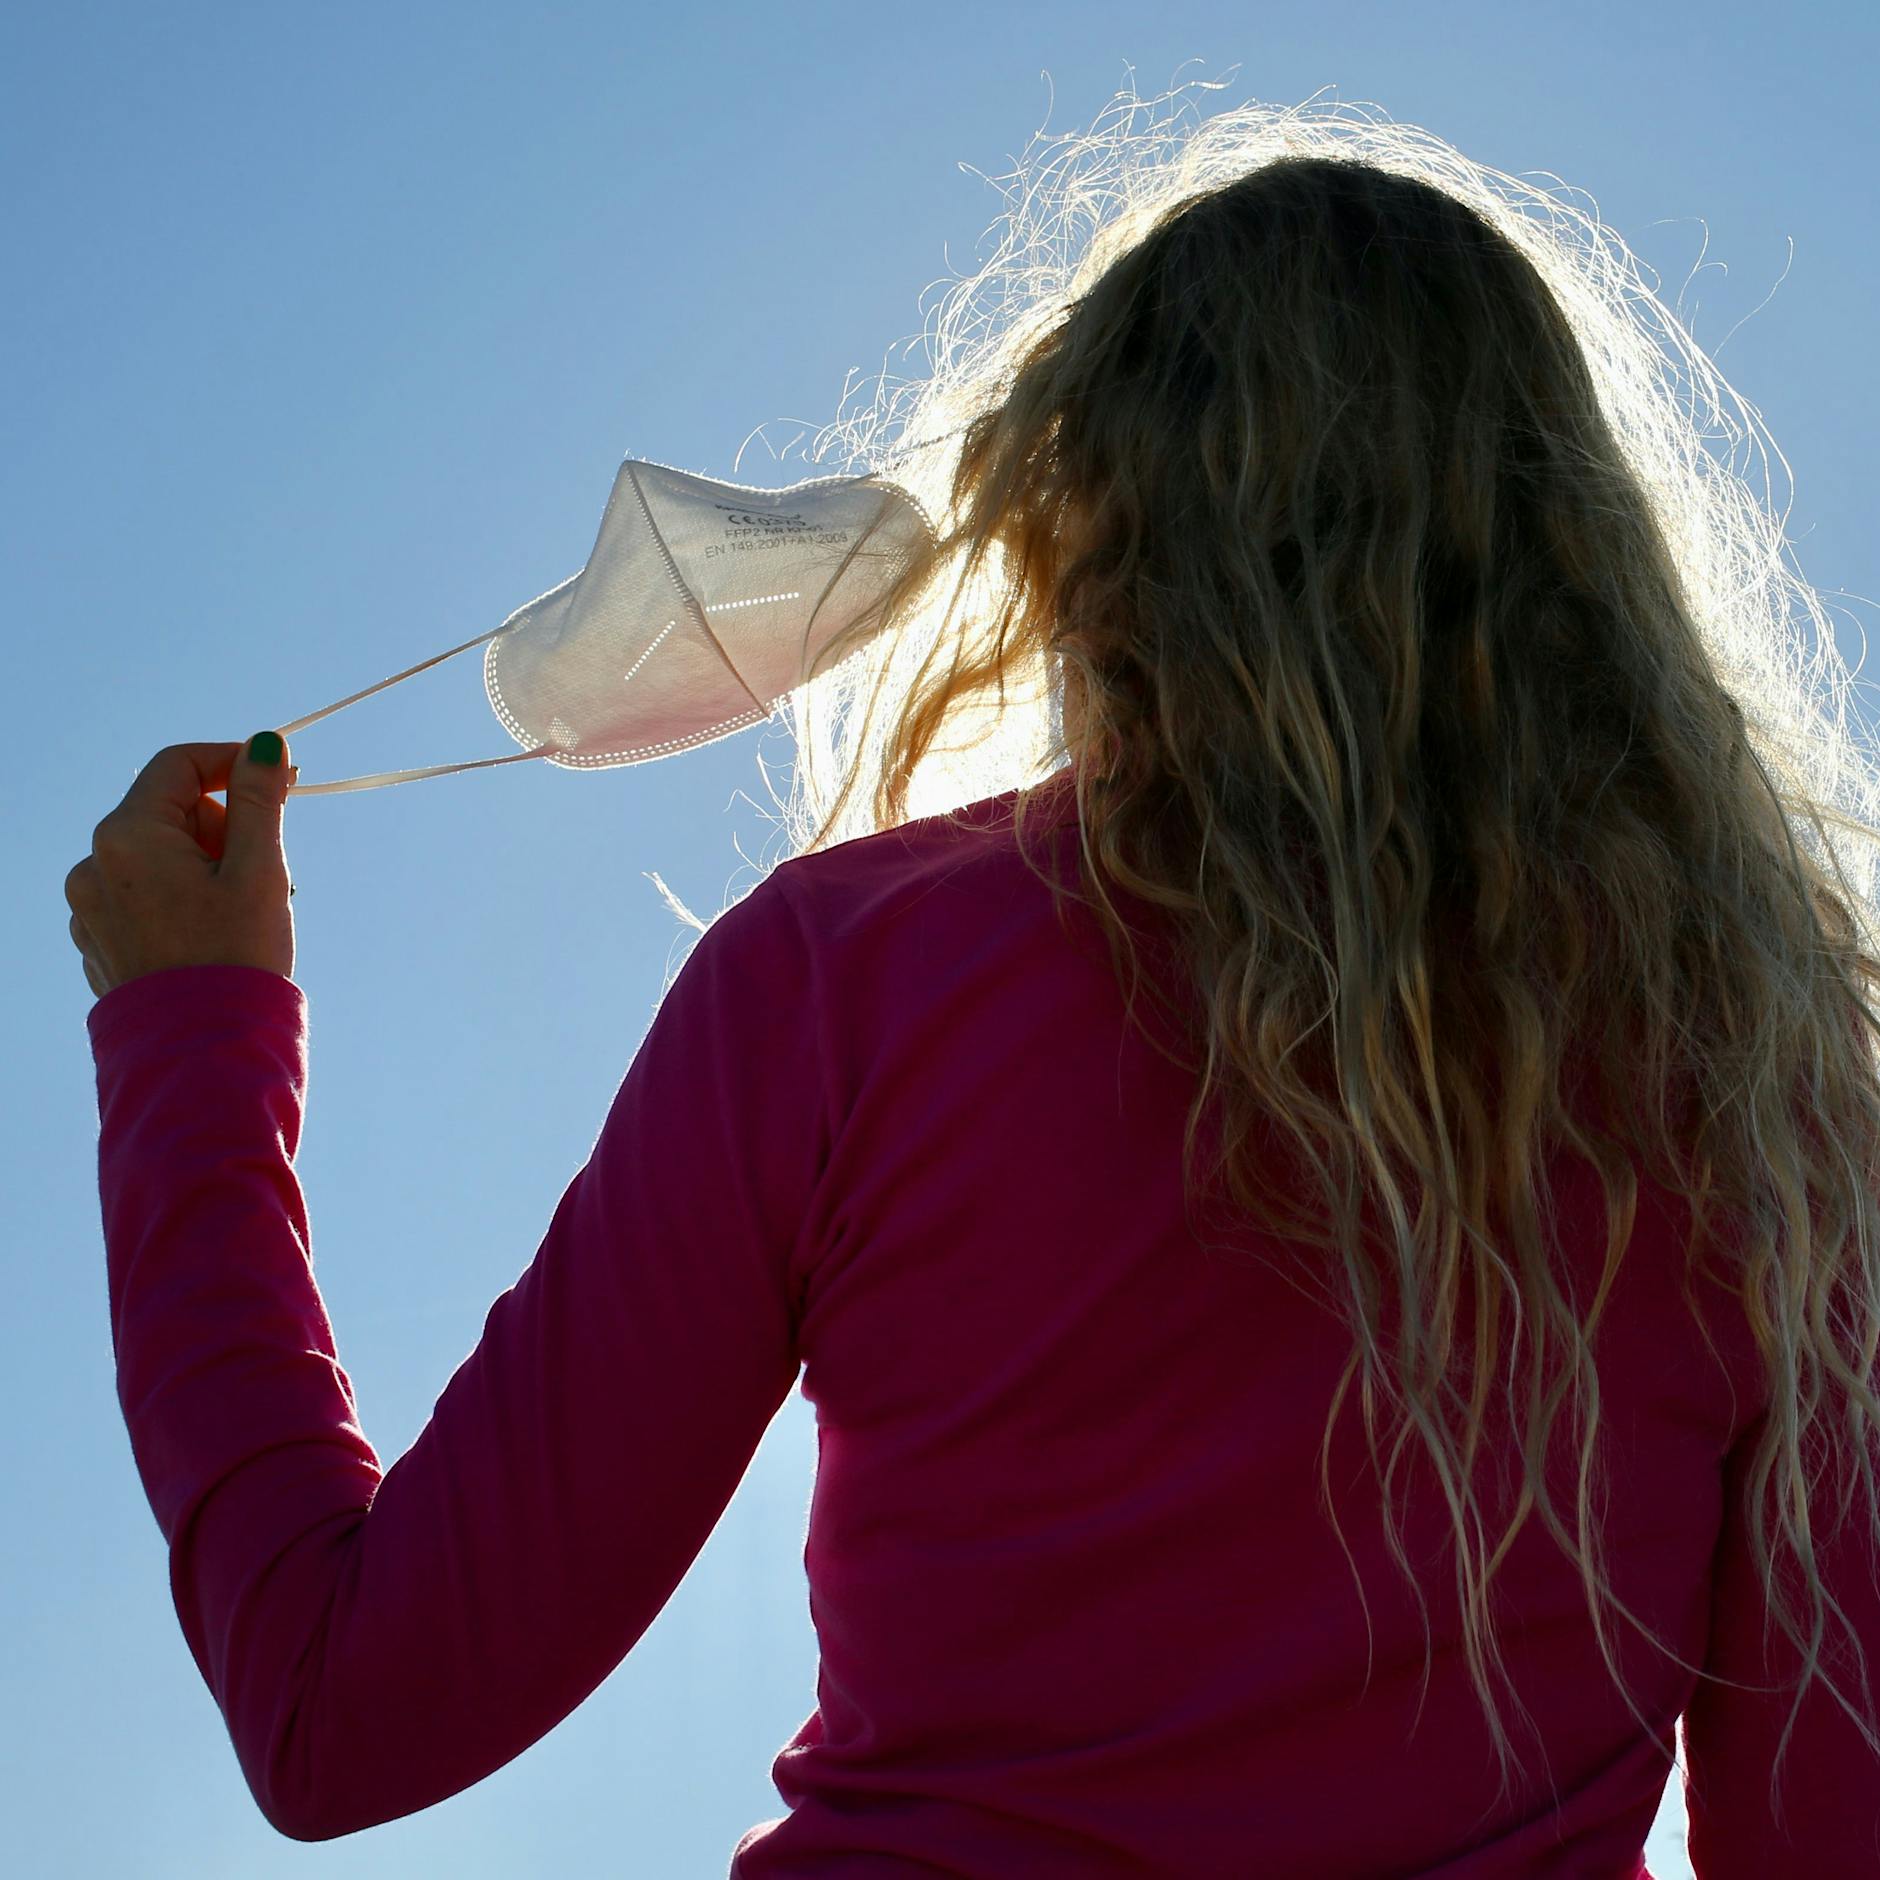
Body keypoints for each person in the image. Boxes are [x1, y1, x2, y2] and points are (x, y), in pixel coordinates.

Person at [67, 89, 1880, 1877]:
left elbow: (344, 1708)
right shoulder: (1778, 1100)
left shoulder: (853, 982)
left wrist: (187, 1035)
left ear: (1072, 522)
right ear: (1576, 565)